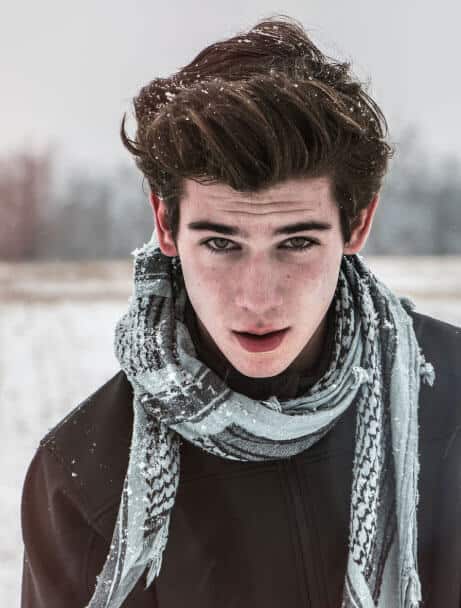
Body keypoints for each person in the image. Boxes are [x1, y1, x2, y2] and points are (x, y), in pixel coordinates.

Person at [20, 14, 461, 608]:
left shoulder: (453, 406)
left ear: (357, 224)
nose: (257, 298)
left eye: (296, 242)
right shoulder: (82, 473)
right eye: (221, 243)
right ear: (166, 224)